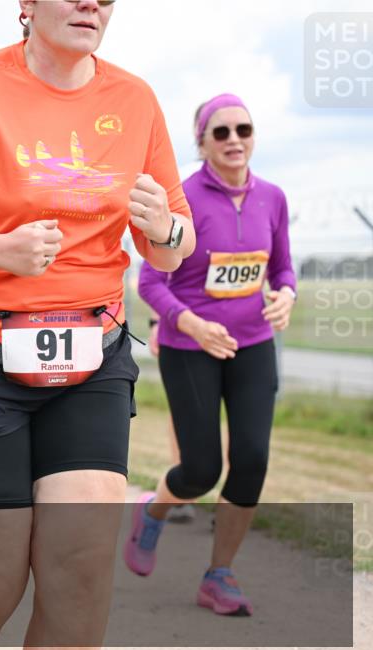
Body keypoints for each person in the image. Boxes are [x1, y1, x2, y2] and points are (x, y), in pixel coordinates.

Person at [0, 2, 195, 650]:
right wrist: (0, 251)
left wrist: (166, 229)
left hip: (92, 359)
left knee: (80, 573)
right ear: (25, 5)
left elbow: (172, 246)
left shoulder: (135, 99)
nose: (92, 5)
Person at [128, 93, 297, 617]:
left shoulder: (273, 198)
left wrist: (287, 295)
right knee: (200, 471)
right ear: (201, 143)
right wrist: (193, 324)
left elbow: (282, 268)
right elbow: (149, 282)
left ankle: (218, 574)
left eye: (243, 129)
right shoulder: (183, 199)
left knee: (252, 461)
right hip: (189, 347)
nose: (234, 140)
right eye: (220, 132)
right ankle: (154, 511)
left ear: (253, 136)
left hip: (252, 345)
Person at [147, 312, 195, 524]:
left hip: (242, 325)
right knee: (184, 408)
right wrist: (156, 322)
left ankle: (229, 502)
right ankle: (182, 492)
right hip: (186, 323)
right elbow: (158, 287)